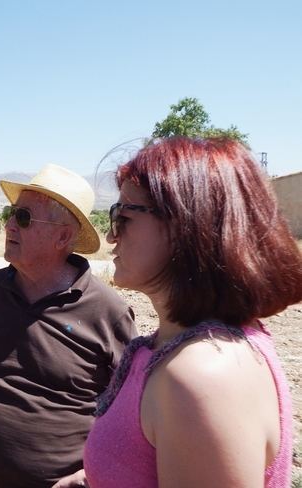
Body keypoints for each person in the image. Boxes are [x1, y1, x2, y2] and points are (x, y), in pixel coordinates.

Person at [66, 137, 302, 488]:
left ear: (185, 225)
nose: (111, 236)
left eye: (123, 216)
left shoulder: (203, 377)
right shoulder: (188, 351)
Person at [0, 164, 137, 488]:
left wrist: (90, 477)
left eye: (23, 218)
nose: (9, 225)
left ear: (63, 237)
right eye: (10, 214)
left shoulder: (108, 312)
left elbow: (131, 408)